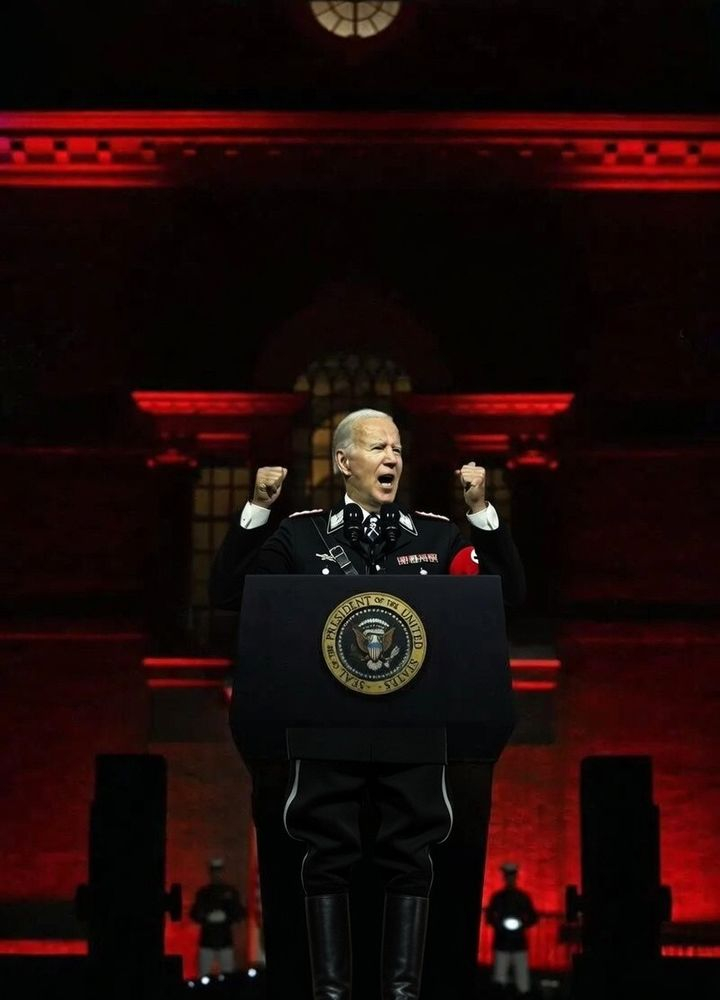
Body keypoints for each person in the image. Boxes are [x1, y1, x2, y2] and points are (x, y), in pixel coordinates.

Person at [209, 407, 526, 1000]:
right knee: (326, 855)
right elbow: (229, 592)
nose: (392, 459)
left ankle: (402, 993)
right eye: (378, 447)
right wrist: (257, 509)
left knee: (411, 856)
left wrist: (482, 513)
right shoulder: (301, 535)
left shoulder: (436, 535)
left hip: (416, 729)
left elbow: (505, 597)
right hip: (323, 728)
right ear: (342, 461)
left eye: (398, 449)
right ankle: (330, 993)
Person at [486, 861, 538, 996]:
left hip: (517, 943)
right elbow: (489, 916)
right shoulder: (498, 897)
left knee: (522, 981)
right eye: (508, 876)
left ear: (515, 877)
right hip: (503, 942)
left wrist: (521, 924)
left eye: (512, 876)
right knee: (500, 979)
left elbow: (533, 917)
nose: (510, 879)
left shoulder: (522, 897)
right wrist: (499, 925)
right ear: (505, 878)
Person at [189, 857, 247, 978]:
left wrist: (227, 917)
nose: (216, 875)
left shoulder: (231, 891)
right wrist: (206, 917)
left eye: (218, 871)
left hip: (225, 939)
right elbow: (194, 914)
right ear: (210, 873)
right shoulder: (203, 893)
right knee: (203, 975)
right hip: (207, 940)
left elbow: (240, 913)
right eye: (214, 872)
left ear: (222, 872)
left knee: (228, 974)